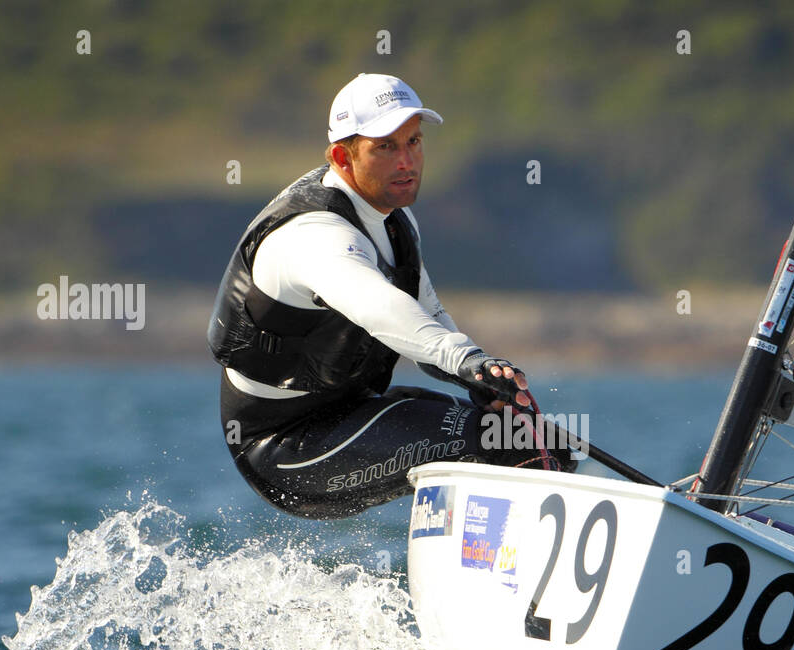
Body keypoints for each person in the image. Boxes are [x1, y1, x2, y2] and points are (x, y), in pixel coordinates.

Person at [208, 73, 574, 519]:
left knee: (539, 440)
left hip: (349, 411)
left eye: (414, 142)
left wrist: (476, 379)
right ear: (343, 156)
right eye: (385, 147)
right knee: (502, 445)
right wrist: (468, 360)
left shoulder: (394, 218)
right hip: (284, 447)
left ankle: (494, 568)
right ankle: (507, 576)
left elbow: (428, 313)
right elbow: (383, 310)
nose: (407, 161)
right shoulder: (313, 234)